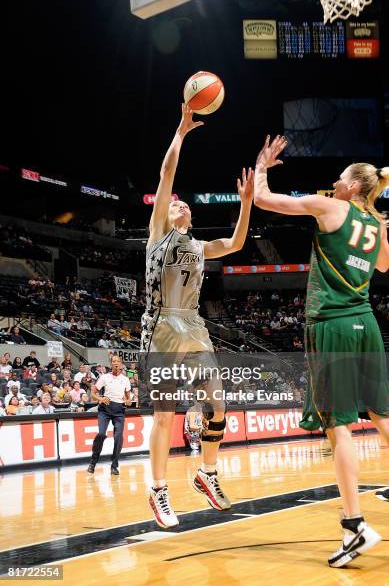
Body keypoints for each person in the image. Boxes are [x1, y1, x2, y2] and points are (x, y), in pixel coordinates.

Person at [253, 134, 389, 568]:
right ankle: (354, 524)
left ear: (351, 187)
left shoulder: (331, 206)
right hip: (367, 323)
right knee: (382, 415)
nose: (335, 181)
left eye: (341, 178)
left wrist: (261, 165)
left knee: (340, 425)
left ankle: (355, 526)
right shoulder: (376, 223)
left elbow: (263, 200)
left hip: (332, 325)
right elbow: (384, 265)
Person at [141, 104, 254, 528]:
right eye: (175, 205)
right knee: (166, 413)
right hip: (161, 326)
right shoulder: (158, 235)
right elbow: (166, 175)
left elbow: (238, 243)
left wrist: (245, 204)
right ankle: (158, 490)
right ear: (166, 214)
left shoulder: (200, 247)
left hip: (192, 323)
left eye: (184, 205)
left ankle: (206, 475)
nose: (181, 204)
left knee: (217, 403)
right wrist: (182, 132)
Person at [87, 355, 131, 475]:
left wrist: (128, 400)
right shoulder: (105, 377)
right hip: (105, 409)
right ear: (111, 364)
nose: (116, 363)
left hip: (119, 411)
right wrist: (101, 399)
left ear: (121, 364)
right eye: (114, 361)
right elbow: (93, 393)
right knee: (101, 434)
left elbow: (128, 397)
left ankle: (114, 465)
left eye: (118, 361)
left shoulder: (125, 379)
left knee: (118, 437)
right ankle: (93, 462)